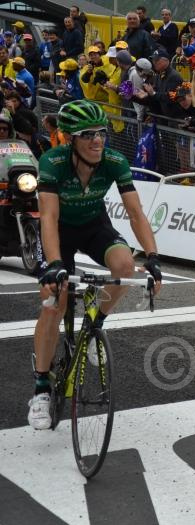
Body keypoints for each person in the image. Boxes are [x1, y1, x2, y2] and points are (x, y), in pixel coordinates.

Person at [27, 100, 162, 430]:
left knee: (125, 266)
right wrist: (55, 265)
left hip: (92, 224)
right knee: (54, 304)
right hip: (59, 230)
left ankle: (95, 323)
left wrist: (154, 257)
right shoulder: (53, 162)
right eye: (87, 135)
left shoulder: (114, 162)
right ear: (71, 138)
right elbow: (49, 217)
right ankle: (42, 388)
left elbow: (135, 213)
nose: (97, 140)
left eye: (101, 133)